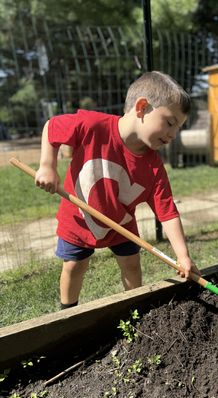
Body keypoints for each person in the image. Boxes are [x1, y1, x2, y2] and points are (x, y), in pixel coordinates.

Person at [35, 71, 200, 309]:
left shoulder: (154, 167)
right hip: (79, 219)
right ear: (142, 107)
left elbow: (167, 212)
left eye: (178, 128)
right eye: (170, 123)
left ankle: (135, 309)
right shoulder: (93, 126)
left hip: (121, 223)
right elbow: (52, 128)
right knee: (74, 266)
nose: (173, 135)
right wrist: (47, 166)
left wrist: (183, 256)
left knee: (132, 264)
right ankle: (67, 313)